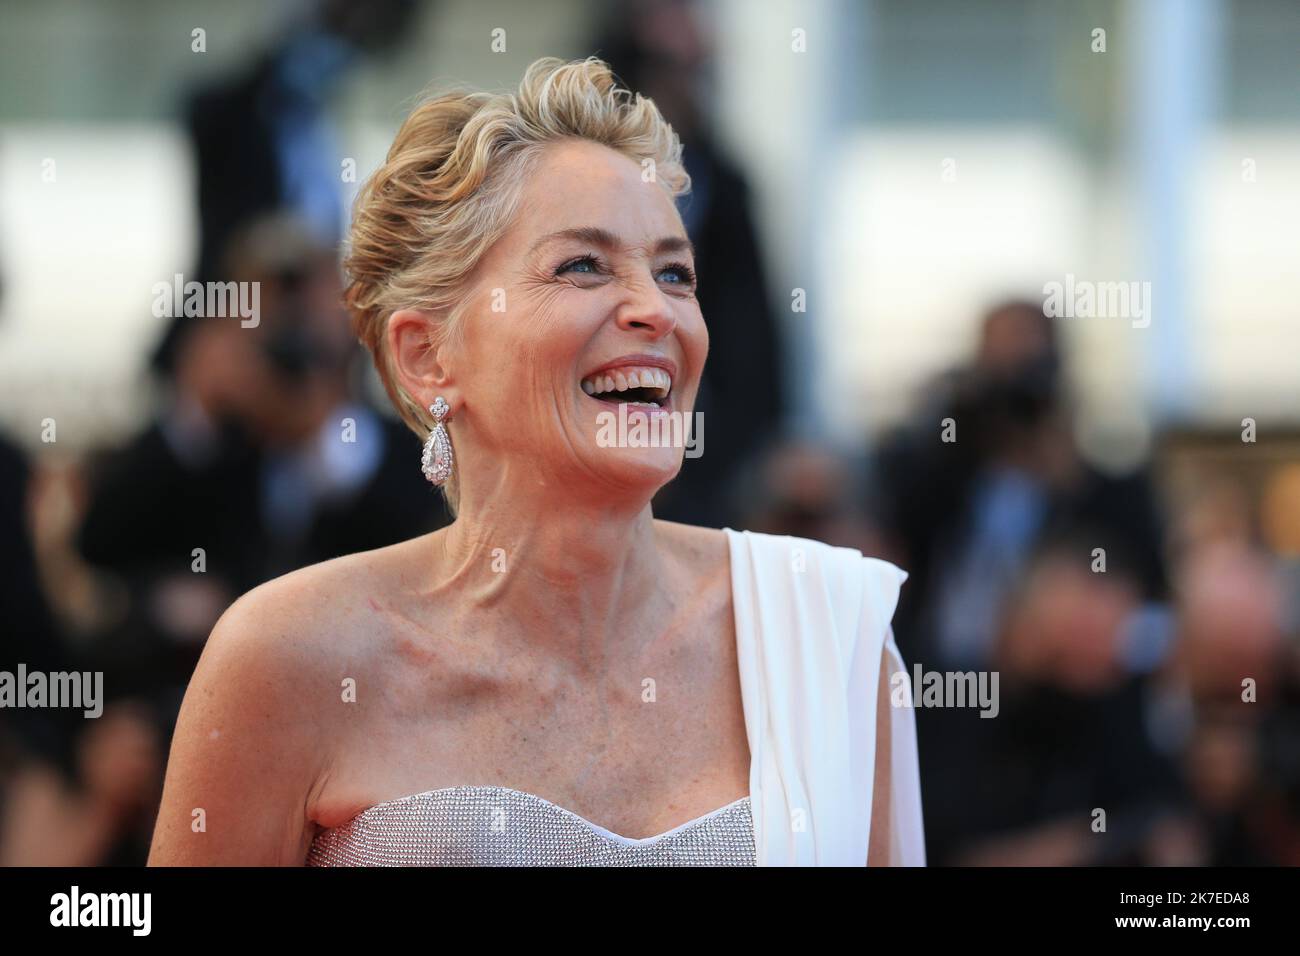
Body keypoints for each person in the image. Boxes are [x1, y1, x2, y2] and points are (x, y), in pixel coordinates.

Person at [148, 57, 923, 867]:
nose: (654, 310)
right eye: (582, 265)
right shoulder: (288, 657)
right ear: (426, 357)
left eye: (675, 273)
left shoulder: (825, 635)